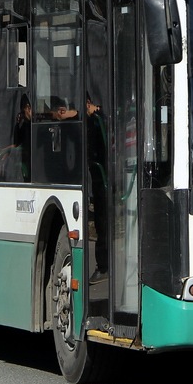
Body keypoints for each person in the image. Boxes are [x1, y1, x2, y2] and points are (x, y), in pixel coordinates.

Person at [83, 97, 109, 283]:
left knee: (103, 222)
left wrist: (97, 112)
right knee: (101, 223)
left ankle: (104, 266)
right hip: (97, 178)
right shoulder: (87, 122)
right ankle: (103, 266)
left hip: (106, 179)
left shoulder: (99, 119)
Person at [10, 93, 33, 181]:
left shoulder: (34, 125)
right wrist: (17, 124)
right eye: (26, 108)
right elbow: (16, 142)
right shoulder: (24, 125)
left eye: (29, 107)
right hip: (26, 159)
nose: (28, 111)